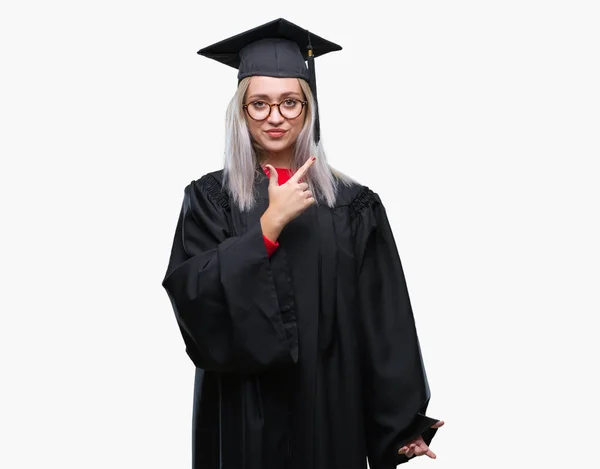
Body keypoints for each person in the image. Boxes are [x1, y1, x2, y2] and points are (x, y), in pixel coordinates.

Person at [161, 18, 444, 469]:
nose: (275, 117)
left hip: (331, 413)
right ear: (240, 111)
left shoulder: (354, 206)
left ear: (309, 108)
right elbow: (195, 300)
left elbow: (382, 319)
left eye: (290, 103)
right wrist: (268, 228)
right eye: (259, 104)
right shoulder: (209, 199)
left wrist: (398, 426)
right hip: (242, 414)